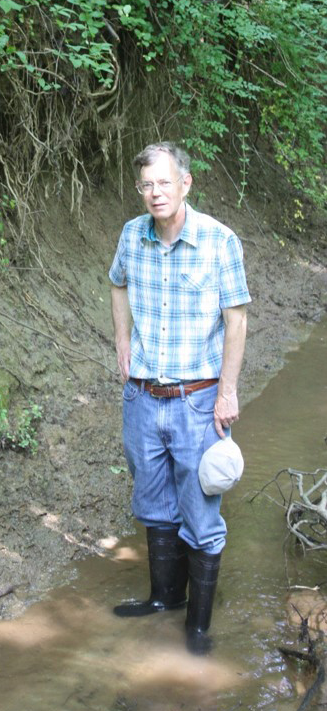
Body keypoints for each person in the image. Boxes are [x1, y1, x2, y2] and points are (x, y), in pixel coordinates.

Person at [108, 142, 250, 654]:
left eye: (164, 182)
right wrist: (123, 342)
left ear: (185, 184)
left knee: (202, 512)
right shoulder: (131, 235)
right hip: (143, 398)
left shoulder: (219, 241)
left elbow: (237, 319)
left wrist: (227, 392)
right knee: (154, 504)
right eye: (146, 184)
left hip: (199, 401)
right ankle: (163, 599)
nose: (154, 193)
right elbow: (117, 286)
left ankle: (197, 628)